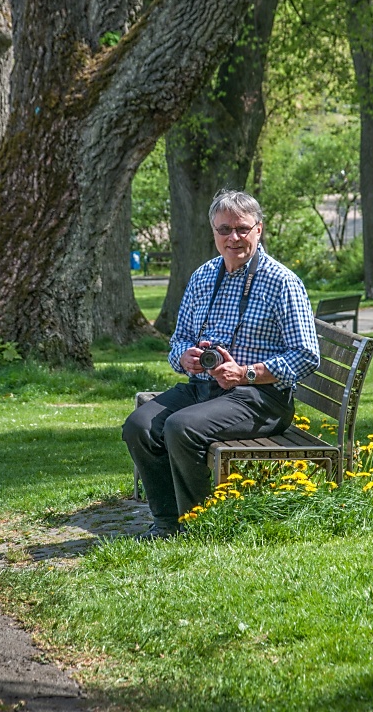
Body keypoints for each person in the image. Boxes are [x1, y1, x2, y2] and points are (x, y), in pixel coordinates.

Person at [122, 190, 320, 539]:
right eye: (224, 229)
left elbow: (306, 355)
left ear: (259, 230)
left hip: (260, 397)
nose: (234, 238)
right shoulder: (202, 277)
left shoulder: (282, 282)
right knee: (139, 425)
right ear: (213, 232)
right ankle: (167, 523)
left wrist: (247, 372)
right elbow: (179, 339)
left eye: (242, 228)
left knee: (182, 427)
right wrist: (185, 358)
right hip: (203, 389)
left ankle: (199, 526)